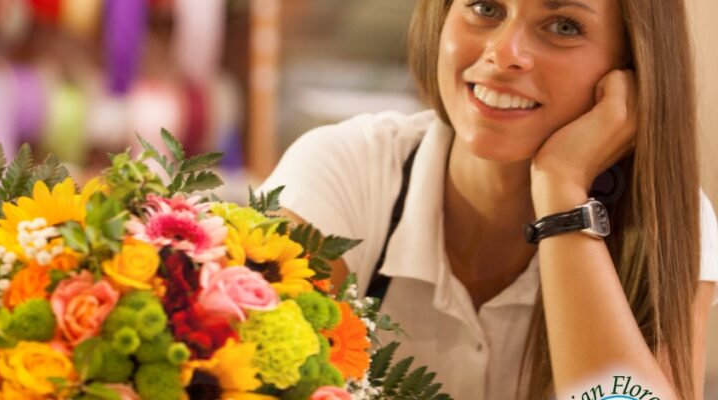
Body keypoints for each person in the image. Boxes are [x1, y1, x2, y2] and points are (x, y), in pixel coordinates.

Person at [259, 0, 718, 399]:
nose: (503, 54)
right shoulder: (343, 170)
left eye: (563, 26)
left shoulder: (670, 218)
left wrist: (561, 193)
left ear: (631, 71)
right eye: (485, 7)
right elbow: (249, 376)